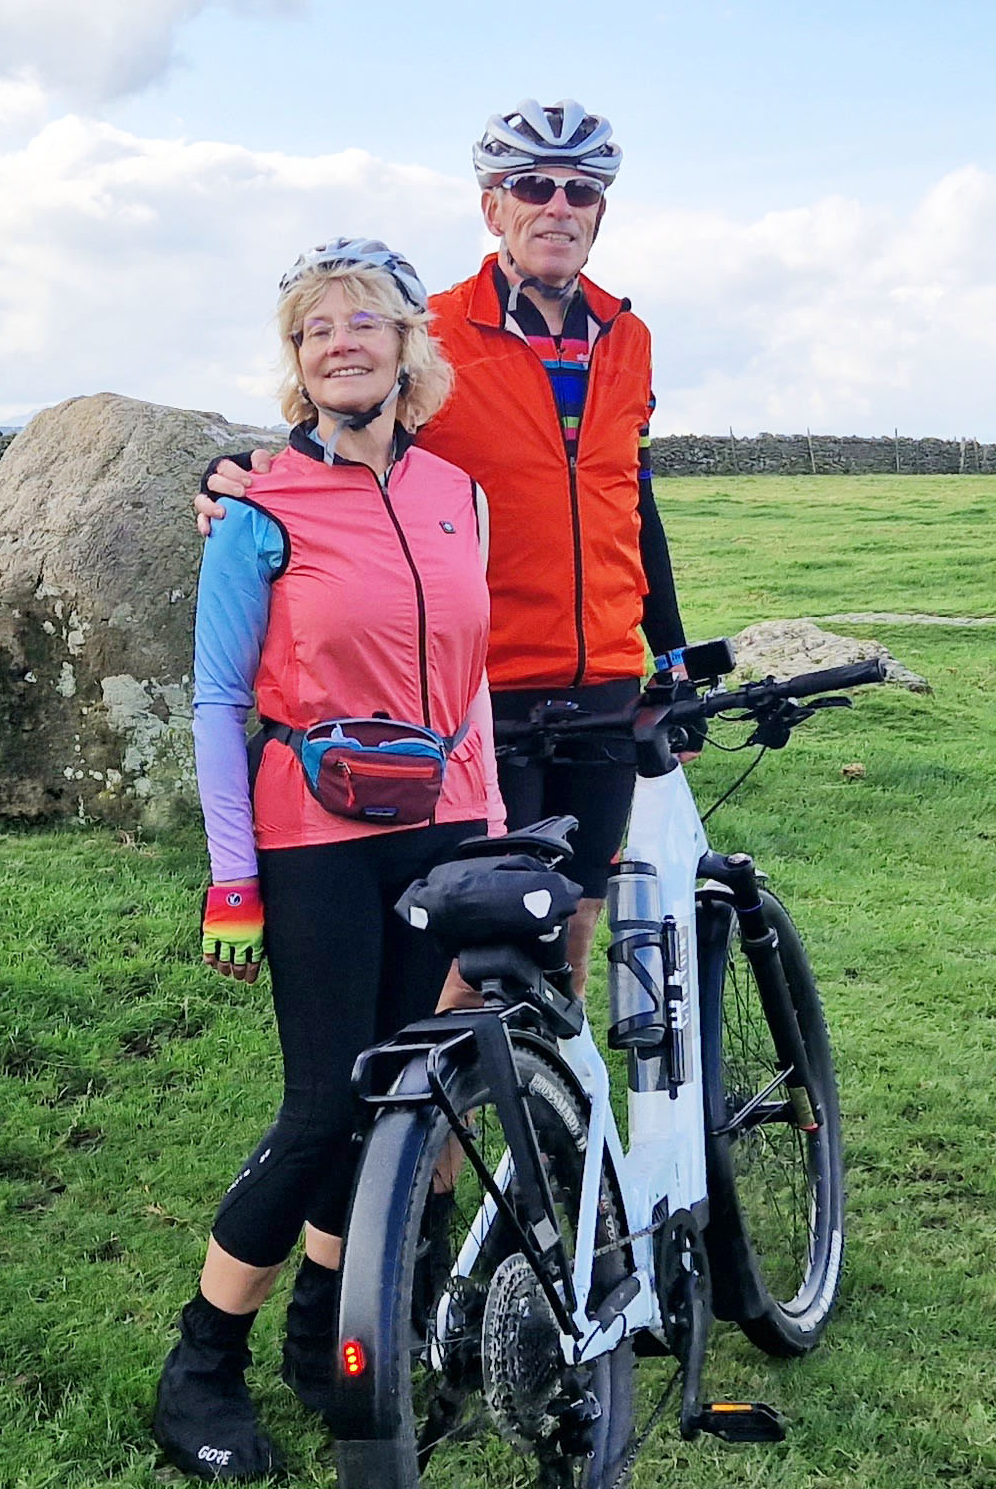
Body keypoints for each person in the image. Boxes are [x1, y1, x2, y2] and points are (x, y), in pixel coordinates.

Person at [153, 239, 498, 1482]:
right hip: (313, 835)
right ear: (297, 367)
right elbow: (214, 702)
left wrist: (490, 827)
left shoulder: (460, 494)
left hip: (443, 829)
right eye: (314, 332)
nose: (341, 341)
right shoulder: (256, 505)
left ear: (410, 346)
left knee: (401, 1097)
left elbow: (472, 690)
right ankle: (200, 1363)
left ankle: (321, 1341)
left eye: (364, 322)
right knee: (321, 1107)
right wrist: (232, 877)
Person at [202, 101, 692, 943]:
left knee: (575, 916)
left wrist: (673, 652)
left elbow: (631, 497)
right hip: (483, 690)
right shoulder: (436, 330)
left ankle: (554, 1075)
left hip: (604, 680)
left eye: (581, 192)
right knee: (487, 938)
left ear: (600, 211)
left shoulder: (628, 335)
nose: (558, 207)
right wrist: (233, 473)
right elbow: (353, 436)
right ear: (492, 206)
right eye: (533, 185)